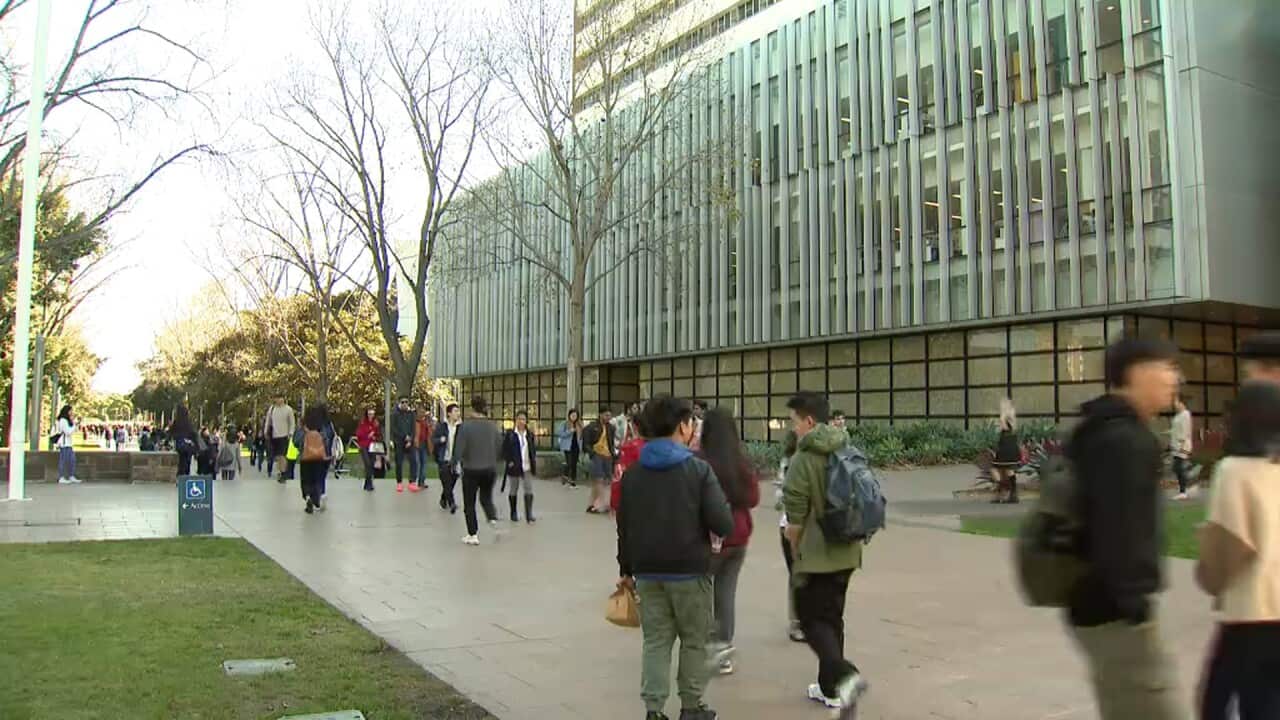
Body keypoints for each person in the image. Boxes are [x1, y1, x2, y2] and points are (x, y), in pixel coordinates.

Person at [1066, 337, 1187, 720]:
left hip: (1093, 608)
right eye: (1167, 367)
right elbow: (1117, 533)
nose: (1175, 378)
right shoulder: (1126, 440)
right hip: (1118, 617)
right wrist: (1135, 610)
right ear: (1137, 372)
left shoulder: (1098, 427)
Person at [616, 395, 733, 720]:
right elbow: (723, 523)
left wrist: (626, 570)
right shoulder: (698, 470)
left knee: (655, 642)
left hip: (647, 573)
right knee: (694, 640)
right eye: (691, 422)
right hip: (690, 572)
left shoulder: (633, 474)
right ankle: (691, 707)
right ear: (683, 426)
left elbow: (624, 527)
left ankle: (654, 710)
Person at [1195, 380, 1280, 719]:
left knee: (1217, 702)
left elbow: (1230, 541)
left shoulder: (1233, 470)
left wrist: (1209, 576)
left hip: (1251, 611)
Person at [783, 391, 868, 717]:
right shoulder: (847, 448)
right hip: (848, 550)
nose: (792, 429)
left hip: (817, 555)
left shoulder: (803, 458)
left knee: (809, 619)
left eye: (794, 422)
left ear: (808, 421)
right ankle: (830, 688)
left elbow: (795, 516)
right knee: (832, 618)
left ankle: (846, 677)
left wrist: (794, 548)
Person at [700, 407, 760, 676]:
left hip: (707, 538)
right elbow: (754, 499)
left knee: (701, 594)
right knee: (726, 594)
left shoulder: (699, 461)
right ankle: (722, 649)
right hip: (738, 538)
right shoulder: (741, 461)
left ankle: (705, 646)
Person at [452, 396, 504, 545]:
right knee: (486, 498)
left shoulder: (466, 426)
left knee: (470, 502)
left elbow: (459, 448)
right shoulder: (492, 426)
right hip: (489, 469)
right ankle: (493, 520)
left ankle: (472, 534)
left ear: (472, 408)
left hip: (471, 469)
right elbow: (499, 446)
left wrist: (454, 462)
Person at [776, 430, 804, 642]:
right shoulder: (790, 463)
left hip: (804, 526)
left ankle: (803, 620)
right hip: (791, 526)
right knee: (797, 574)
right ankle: (797, 622)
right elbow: (779, 498)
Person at [296, 404, 336, 514]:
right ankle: (319, 495)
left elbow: (296, 440)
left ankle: (308, 496)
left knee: (306, 478)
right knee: (319, 478)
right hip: (322, 457)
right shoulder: (326, 424)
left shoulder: (304, 425)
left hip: (306, 457)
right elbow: (331, 437)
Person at [503, 409, 538, 523]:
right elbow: (505, 450)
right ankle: (513, 512)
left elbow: (532, 449)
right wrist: (509, 461)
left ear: (526, 421)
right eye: (519, 419)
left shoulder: (530, 435)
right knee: (514, 489)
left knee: (528, 489)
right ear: (516, 420)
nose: (521, 421)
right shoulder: (510, 435)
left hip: (527, 466)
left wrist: (533, 460)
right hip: (514, 466)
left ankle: (529, 514)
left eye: (523, 419)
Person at [582, 407, 617, 513]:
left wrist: (613, 455)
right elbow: (586, 443)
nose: (608, 417)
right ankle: (601, 503)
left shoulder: (611, 428)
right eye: (606, 415)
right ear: (600, 414)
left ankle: (592, 504)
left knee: (607, 480)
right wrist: (592, 453)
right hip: (597, 454)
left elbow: (611, 443)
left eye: (610, 415)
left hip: (608, 456)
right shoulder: (591, 427)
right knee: (598, 479)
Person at [432, 403, 462, 512]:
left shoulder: (460, 428)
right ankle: (452, 503)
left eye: (458, 411)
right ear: (449, 413)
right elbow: (433, 439)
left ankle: (443, 499)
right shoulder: (442, 426)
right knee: (446, 481)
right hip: (443, 458)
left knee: (451, 482)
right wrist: (440, 440)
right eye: (455, 411)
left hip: (455, 460)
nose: (458, 413)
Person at [992, 398, 1021, 504]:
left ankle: (1005, 491)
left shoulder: (1006, 417)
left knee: (996, 469)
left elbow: (1003, 427)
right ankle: (1009, 494)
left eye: (1002, 405)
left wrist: (1002, 417)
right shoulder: (1012, 418)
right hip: (1011, 446)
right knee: (1007, 470)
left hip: (1006, 447)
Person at [391, 397, 420, 493]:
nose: (405, 404)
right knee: (399, 462)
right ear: (399, 403)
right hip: (399, 441)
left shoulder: (411, 414)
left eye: (406, 402)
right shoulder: (395, 414)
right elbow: (394, 429)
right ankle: (399, 482)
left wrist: (410, 438)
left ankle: (412, 481)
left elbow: (413, 428)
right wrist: (404, 437)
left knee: (413, 461)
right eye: (402, 402)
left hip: (409, 441)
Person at [264, 396, 296, 483]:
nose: (278, 400)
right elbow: (268, 421)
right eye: (277, 398)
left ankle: (283, 473)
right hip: (274, 436)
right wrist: (265, 431)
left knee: (282, 455)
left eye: (280, 398)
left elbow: (292, 422)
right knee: (278, 456)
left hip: (284, 435)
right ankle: (280, 471)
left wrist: (291, 432)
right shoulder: (272, 409)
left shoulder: (288, 409)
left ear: (283, 399)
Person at [1170, 395, 1194, 500]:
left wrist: (1182, 446)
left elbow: (1185, 431)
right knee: (1177, 468)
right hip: (1176, 445)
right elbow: (1176, 429)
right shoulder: (1178, 415)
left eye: (1176, 402)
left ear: (1181, 403)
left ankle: (1183, 491)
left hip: (1182, 445)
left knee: (1179, 467)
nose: (1174, 404)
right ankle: (1184, 489)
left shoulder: (1185, 414)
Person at [355, 407, 382, 492]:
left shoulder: (376, 424)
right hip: (364, 446)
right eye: (369, 414)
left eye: (372, 414)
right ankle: (369, 483)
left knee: (371, 464)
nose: (371, 416)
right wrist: (368, 435)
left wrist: (375, 436)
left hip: (373, 446)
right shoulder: (363, 423)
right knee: (368, 464)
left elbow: (379, 435)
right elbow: (358, 434)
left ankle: (367, 483)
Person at [170, 405, 198, 477]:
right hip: (188, 446)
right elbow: (193, 434)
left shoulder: (176, 422)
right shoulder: (188, 423)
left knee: (181, 463)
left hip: (180, 445)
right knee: (187, 463)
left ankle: (180, 477)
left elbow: (171, 433)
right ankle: (185, 477)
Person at [557, 408, 583, 487]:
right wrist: (569, 431)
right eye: (572, 415)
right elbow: (560, 433)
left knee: (574, 464)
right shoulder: (565, 423)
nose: (574, 417)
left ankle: (573, 481)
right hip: (568, 447)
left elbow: (582, 436)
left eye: (575, 415)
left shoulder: (579, 424)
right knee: (570, 463)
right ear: (569, 416)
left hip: (576, 446)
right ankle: (566, 476)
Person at [55, 405, 80, 484]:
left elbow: (73, 431)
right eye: (70, 411)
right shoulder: (63, 420)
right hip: (64, 443)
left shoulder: (67, 420)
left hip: (68, 443)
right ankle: (61, 477)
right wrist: (74, 425)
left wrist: (74, 423)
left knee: (72, 460)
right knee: (63, 460)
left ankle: (71, 475)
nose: (72, 412)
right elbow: (68, 432)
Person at [415, 407, 433, 490]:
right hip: (417, 444)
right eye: (420, 412)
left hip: (425, 444)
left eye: (423, 412)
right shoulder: (415, 422)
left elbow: (430, 433)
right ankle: (415, 481)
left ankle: (421, 481)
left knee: (424, 463)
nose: (422, 414)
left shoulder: (427, 422)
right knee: (417, 464)